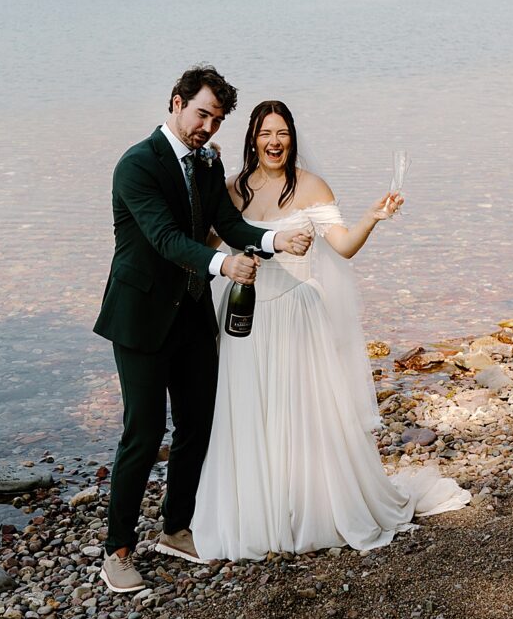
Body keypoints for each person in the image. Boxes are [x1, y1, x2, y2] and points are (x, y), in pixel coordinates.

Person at [191, 99, 470, 561]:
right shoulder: (233, 189)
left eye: (281, 133)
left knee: (301, 413)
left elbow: (342, 248)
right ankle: (258, 511)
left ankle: (309, 507)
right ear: (252, 139)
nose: (274, 142)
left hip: (297, 315)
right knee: (249, 411)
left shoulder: (311, 187)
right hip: (245, 321)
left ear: (292, 138)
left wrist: (372, 218)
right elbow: (207, 248)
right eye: (265, 134)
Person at [93, 70, 312, 593]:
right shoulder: (136, 165)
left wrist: (276, 240)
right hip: (141, 317)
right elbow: (166, 238)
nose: (207, 128)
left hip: (192, 315)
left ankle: (175, 528)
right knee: (143, 435)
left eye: (216, 120)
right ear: (176, 102)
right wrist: (223, 266)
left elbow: (230, 226)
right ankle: (117, 551)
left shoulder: (210, 163)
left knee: (197, 426)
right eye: (201, 114)